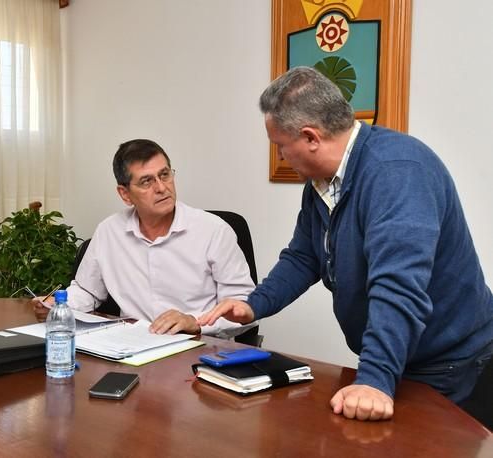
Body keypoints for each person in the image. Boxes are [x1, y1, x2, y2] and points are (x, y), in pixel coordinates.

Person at [199, 67, 493, 421]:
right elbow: (303, 256)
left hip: (451, 364)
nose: (280, 157)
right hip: (402, 356)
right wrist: (254, 305)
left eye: (280, 147)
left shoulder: (397, 172)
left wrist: (374, 379)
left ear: (310, 137)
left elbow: (398, 287)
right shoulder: (322, 185)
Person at [34, 139, 254, 336]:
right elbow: (87, 290)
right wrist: (57, 304)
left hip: (199, 349)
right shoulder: (109, 232)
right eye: (147, 181)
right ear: (125, 194)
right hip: (132, 347)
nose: (161, 188)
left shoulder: (214, 231)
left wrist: (195, 323)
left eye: (165, 174)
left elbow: (243, 305)